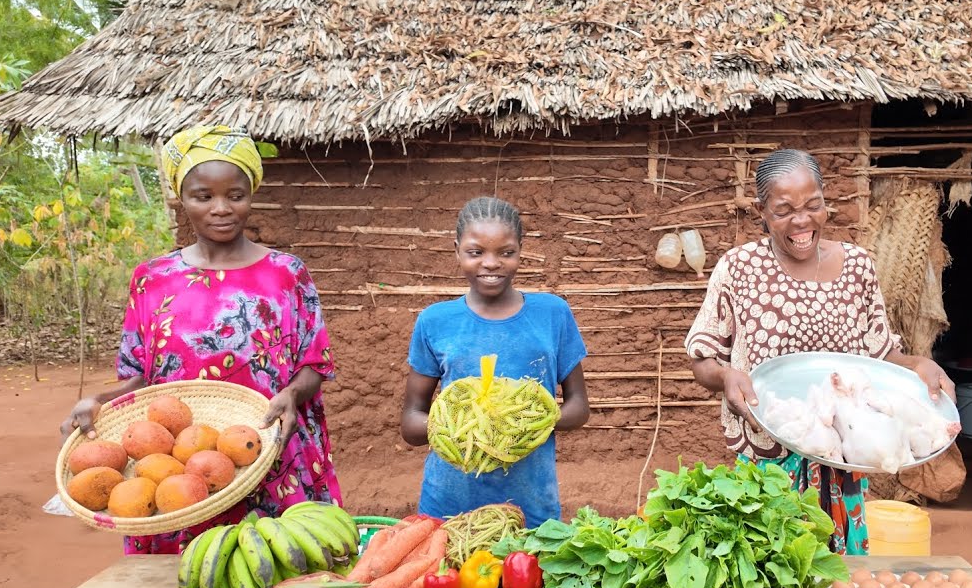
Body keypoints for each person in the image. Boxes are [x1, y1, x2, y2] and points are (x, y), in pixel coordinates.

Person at [61, 125, 342, 554]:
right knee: (184, 586)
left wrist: (291, 393)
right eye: (203, 196)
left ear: (252, 195)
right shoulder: (152, 279)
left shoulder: (286, 273)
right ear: (181, 198)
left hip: (271, 452)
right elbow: (140, 380)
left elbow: (314, 363)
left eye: (235, 194)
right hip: (180, 469)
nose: (221, 208)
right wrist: (100, 400)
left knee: (280, 583)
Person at [685, 149, 953, 555]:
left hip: (843, 462)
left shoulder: (858, 267)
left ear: (826, 202)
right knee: (769, 582)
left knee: (840, 586)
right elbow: (703, 358)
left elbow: (881, 357)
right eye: (784, 210)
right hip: (767, 472)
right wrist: (725, 377)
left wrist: (918, 364)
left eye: (813, 205)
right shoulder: (739, 269)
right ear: (763, 211)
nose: (801, 221)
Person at [400, 196, 589, 527]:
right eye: (476, 252)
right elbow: (411, 424)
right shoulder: (435, 321)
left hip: (530, 508)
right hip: (449, 508)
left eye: (506, 252)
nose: (491, 263)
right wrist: (467, 427)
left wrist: (518, 422)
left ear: (521, 251)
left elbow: (579, 408)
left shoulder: (552, 314)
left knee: (528, 578)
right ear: (457, 250)